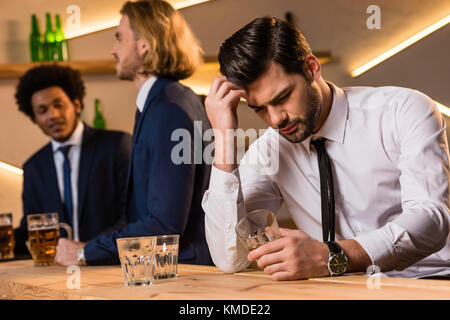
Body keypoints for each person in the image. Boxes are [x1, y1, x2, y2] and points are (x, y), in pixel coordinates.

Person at [202, 17, 450, 279]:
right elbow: (231, 258)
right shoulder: (270, 150)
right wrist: (224, 139)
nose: (275, 119)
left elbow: (430, 218)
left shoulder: (404, 110)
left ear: (311, 68)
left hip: (427, 284)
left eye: (282, 98)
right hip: (337, 292)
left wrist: (334, 255)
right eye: (259, 108)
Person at [54, 0, 213, 266]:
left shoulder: (168, 110)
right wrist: (90, 246)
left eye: (119, 38)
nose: (112, 49)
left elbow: (164, 225)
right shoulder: (165, 102)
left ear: (144, 44)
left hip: (185, 275)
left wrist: (85, 253)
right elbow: (143, 216)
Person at [14, 64, 131, 256]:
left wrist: (89, 251)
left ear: (76, 105)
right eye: (42, 110)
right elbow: (30, 227)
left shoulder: (116, 146)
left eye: (58, 105)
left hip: (110, 265)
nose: (53, 115)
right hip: (57, 273)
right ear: (34, 118)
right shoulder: (34, 167)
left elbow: (132, 216)